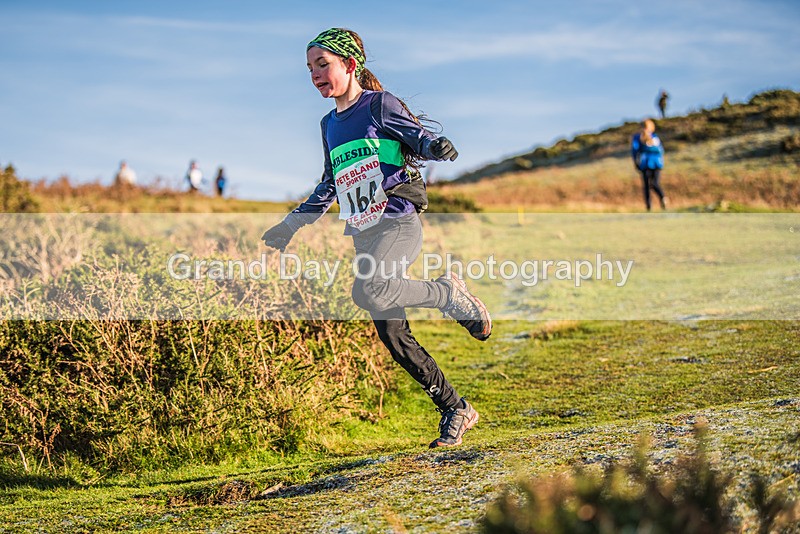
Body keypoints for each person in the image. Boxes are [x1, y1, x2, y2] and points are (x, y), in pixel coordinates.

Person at [260, 28, 492, 448]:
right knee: (392, 334)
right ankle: (455, 408)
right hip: (364, 234)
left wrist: (435, 146)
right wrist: (291, 224)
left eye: (322, 64)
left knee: (369, 288)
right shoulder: (328, 125)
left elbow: (418, 138)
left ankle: (447, 294)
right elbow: (331, 183)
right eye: (309, 68)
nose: (315, 74)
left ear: (350, 65)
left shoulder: (378, 105)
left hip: (398, 222)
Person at [631, 119, 667, 211]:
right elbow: (661, 150)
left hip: (649, 163)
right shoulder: (651, 137)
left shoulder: (644, 137)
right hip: (652, 163)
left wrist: (636, 161)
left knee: (650, 184)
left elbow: (635, 150)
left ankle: (656, 202)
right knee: (651, 184)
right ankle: (656, 202)